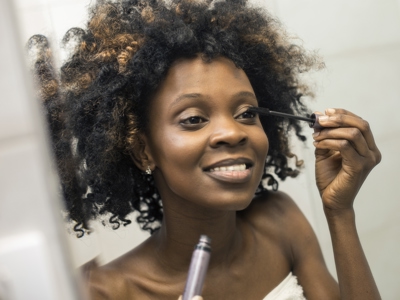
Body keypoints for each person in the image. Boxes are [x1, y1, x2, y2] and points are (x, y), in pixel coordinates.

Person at [29, 0, 382, 299]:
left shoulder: (281, 224)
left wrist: (339, 212)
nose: (231, 132)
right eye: (194, 119)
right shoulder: (103, 291)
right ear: (142, 150)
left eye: (246, 113)